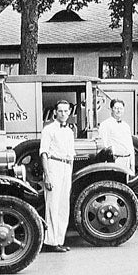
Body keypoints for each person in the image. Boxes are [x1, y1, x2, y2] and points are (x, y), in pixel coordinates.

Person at [41, 100, 76, 252]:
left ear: (69, 113)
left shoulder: (69, 131)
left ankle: (59, 240)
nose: (63, 114)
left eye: (66, 111)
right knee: (52, 205)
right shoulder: (48, 130)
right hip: (53, 166)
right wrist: (47, 175)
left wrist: (69, 173)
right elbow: (43, 153)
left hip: (66, 167)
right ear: (55, 112)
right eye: (60, 111)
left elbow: (71, 155)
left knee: (63, 206)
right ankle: (50, 241)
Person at [98, 98, 134, 175]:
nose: (118, 111)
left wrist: (132, 165)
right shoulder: (105, 124)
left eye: (121, 108)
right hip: (115, 161)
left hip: (126, 161)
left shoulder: (126, 126)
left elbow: (130, 146)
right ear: (111, 109)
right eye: (116, 108)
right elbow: (104, 144)